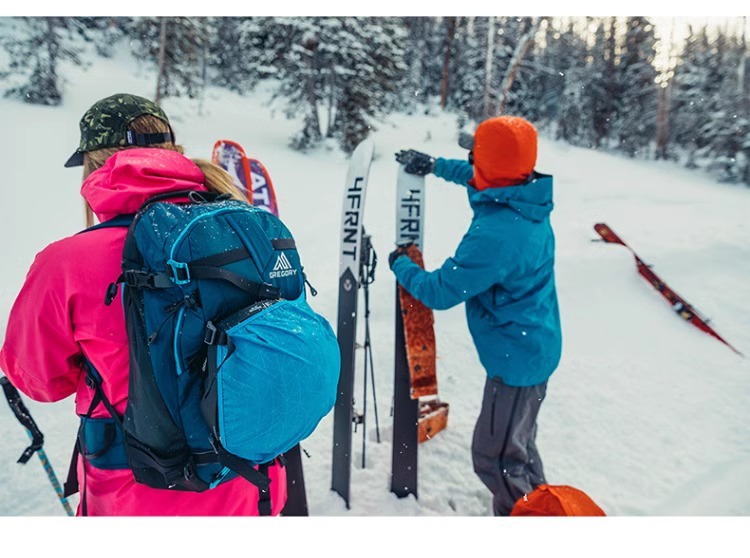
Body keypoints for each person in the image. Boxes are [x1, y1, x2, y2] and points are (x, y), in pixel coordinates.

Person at [0, 93, 287, 516]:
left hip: (134, 496)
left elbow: (40, 381)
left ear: (94, 167)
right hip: (249, 485)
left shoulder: (66, 262)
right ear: (172, 154)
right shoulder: (242, 234)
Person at [389, 115, 562, 516]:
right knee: (518, 446)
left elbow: (440, 291)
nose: (470, 161)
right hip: (534, 345)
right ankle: (544, 507)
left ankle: (527, 520)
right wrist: (435, 166)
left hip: (516, 361)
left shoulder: (497, 235)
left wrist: (402, 264)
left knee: (495, 457)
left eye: (475, 156)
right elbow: (478, 176)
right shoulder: (525, 197)